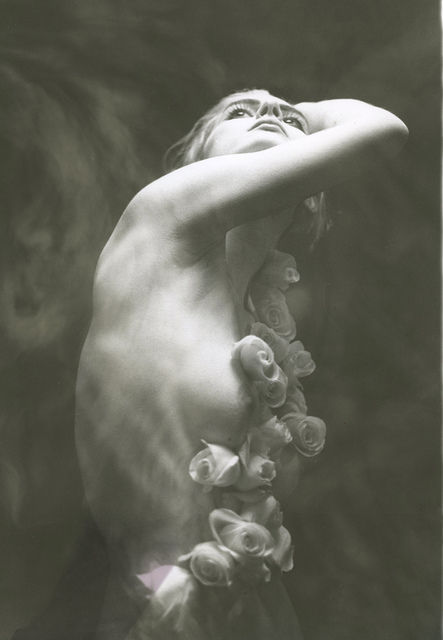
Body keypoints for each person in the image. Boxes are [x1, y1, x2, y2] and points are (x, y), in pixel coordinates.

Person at [75, 89, 408, 639]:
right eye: (240, 112)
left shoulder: (254, 321)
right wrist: (302, 118)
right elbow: (382, 127)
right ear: (195, 159)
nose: (269, 114)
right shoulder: (162, 214)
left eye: (286, 116)